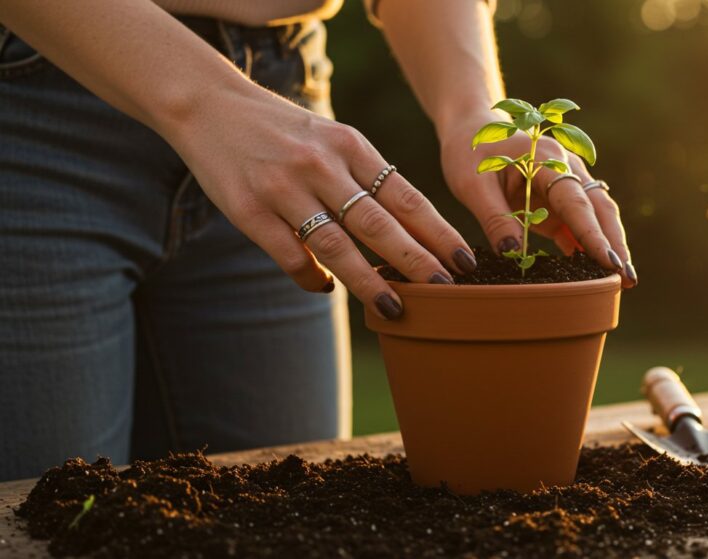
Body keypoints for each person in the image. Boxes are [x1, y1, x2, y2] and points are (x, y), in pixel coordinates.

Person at [0, 0, 636, 482]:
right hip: (38, 101)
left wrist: (475, 108)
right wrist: (207, 103)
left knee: (288, 504)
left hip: (288, 115)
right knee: (46, 507)